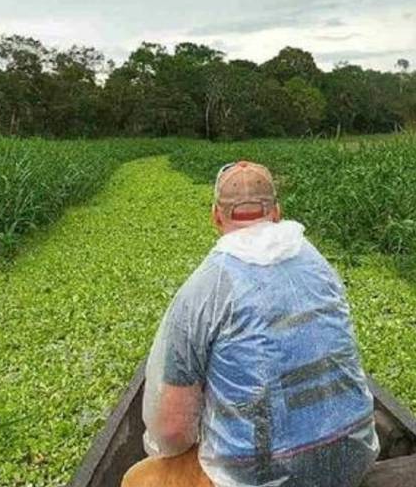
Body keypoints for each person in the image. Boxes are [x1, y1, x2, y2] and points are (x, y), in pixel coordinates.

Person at [123, 161, 379, 487]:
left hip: (259, 478)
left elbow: (172, 432)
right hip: (351, 459)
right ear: (276, 212)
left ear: (216, 216)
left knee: (137, 479)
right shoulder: (320, 266)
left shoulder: (204, 289)